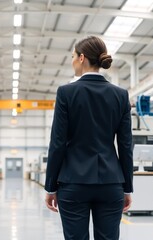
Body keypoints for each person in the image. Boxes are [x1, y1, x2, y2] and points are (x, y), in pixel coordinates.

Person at [44, 35, 133, 240]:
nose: (72, 60)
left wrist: (50, 186)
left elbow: (57, 143)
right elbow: (126, 145)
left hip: (73, 183)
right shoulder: (120, 95)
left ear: (82, 57)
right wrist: (127, 187)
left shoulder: (66, 93)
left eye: (73, 56)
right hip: (111, 183)